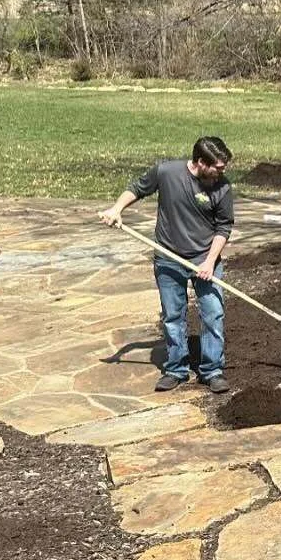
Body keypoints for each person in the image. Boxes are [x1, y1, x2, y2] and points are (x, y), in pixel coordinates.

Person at [98, 136, 236, 394]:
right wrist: (117, 209)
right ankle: (176, 369)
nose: (222, 172)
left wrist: (208, 262)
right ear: (200, 162)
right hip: (168, 256)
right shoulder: (166, 172)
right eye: (217, 167)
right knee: (173, 316)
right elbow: (137, 189)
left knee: (213, 313)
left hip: (205, 258)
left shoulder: (222, 188)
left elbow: (223, 227)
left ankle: (212, 370)